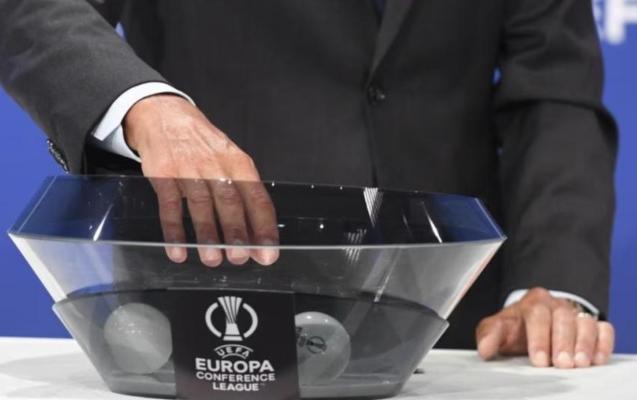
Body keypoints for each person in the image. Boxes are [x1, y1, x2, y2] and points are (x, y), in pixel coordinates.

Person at [0, 0, 616, 368]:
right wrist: (145, 106)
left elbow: (553, 93)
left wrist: (554, 283)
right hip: (212, 315)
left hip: (455, 333)